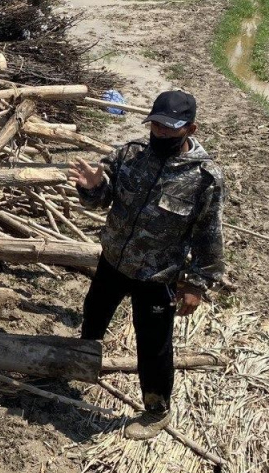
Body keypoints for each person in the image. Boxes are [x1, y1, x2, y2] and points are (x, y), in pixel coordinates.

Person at [69, 90, 225, 440]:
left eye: (170, 129)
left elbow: (208, 235)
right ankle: (78, 364)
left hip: (157, 276)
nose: (161, 134)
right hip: (114, 261)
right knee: (93, 314)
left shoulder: (204, 178)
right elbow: (102, 197)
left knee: (153, 345)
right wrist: (92, 188)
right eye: (156, 125)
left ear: (191, 128)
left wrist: (196, 285)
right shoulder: (130, 154)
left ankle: (156, 410)